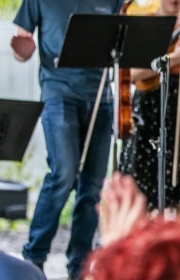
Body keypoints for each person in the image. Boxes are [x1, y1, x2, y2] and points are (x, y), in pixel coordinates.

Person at [11, 0, 124, 278]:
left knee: (93, 186)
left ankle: (80, 266)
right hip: (58, 92)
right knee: (63, 173)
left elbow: (125, 35)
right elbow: (21, 44)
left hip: (101, 97)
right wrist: (22, 52)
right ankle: (34, 258)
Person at [119, 0, 180, 212]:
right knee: (144, 180)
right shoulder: (143, 24)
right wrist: (173, 59)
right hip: (151, 106)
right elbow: (132, 74)